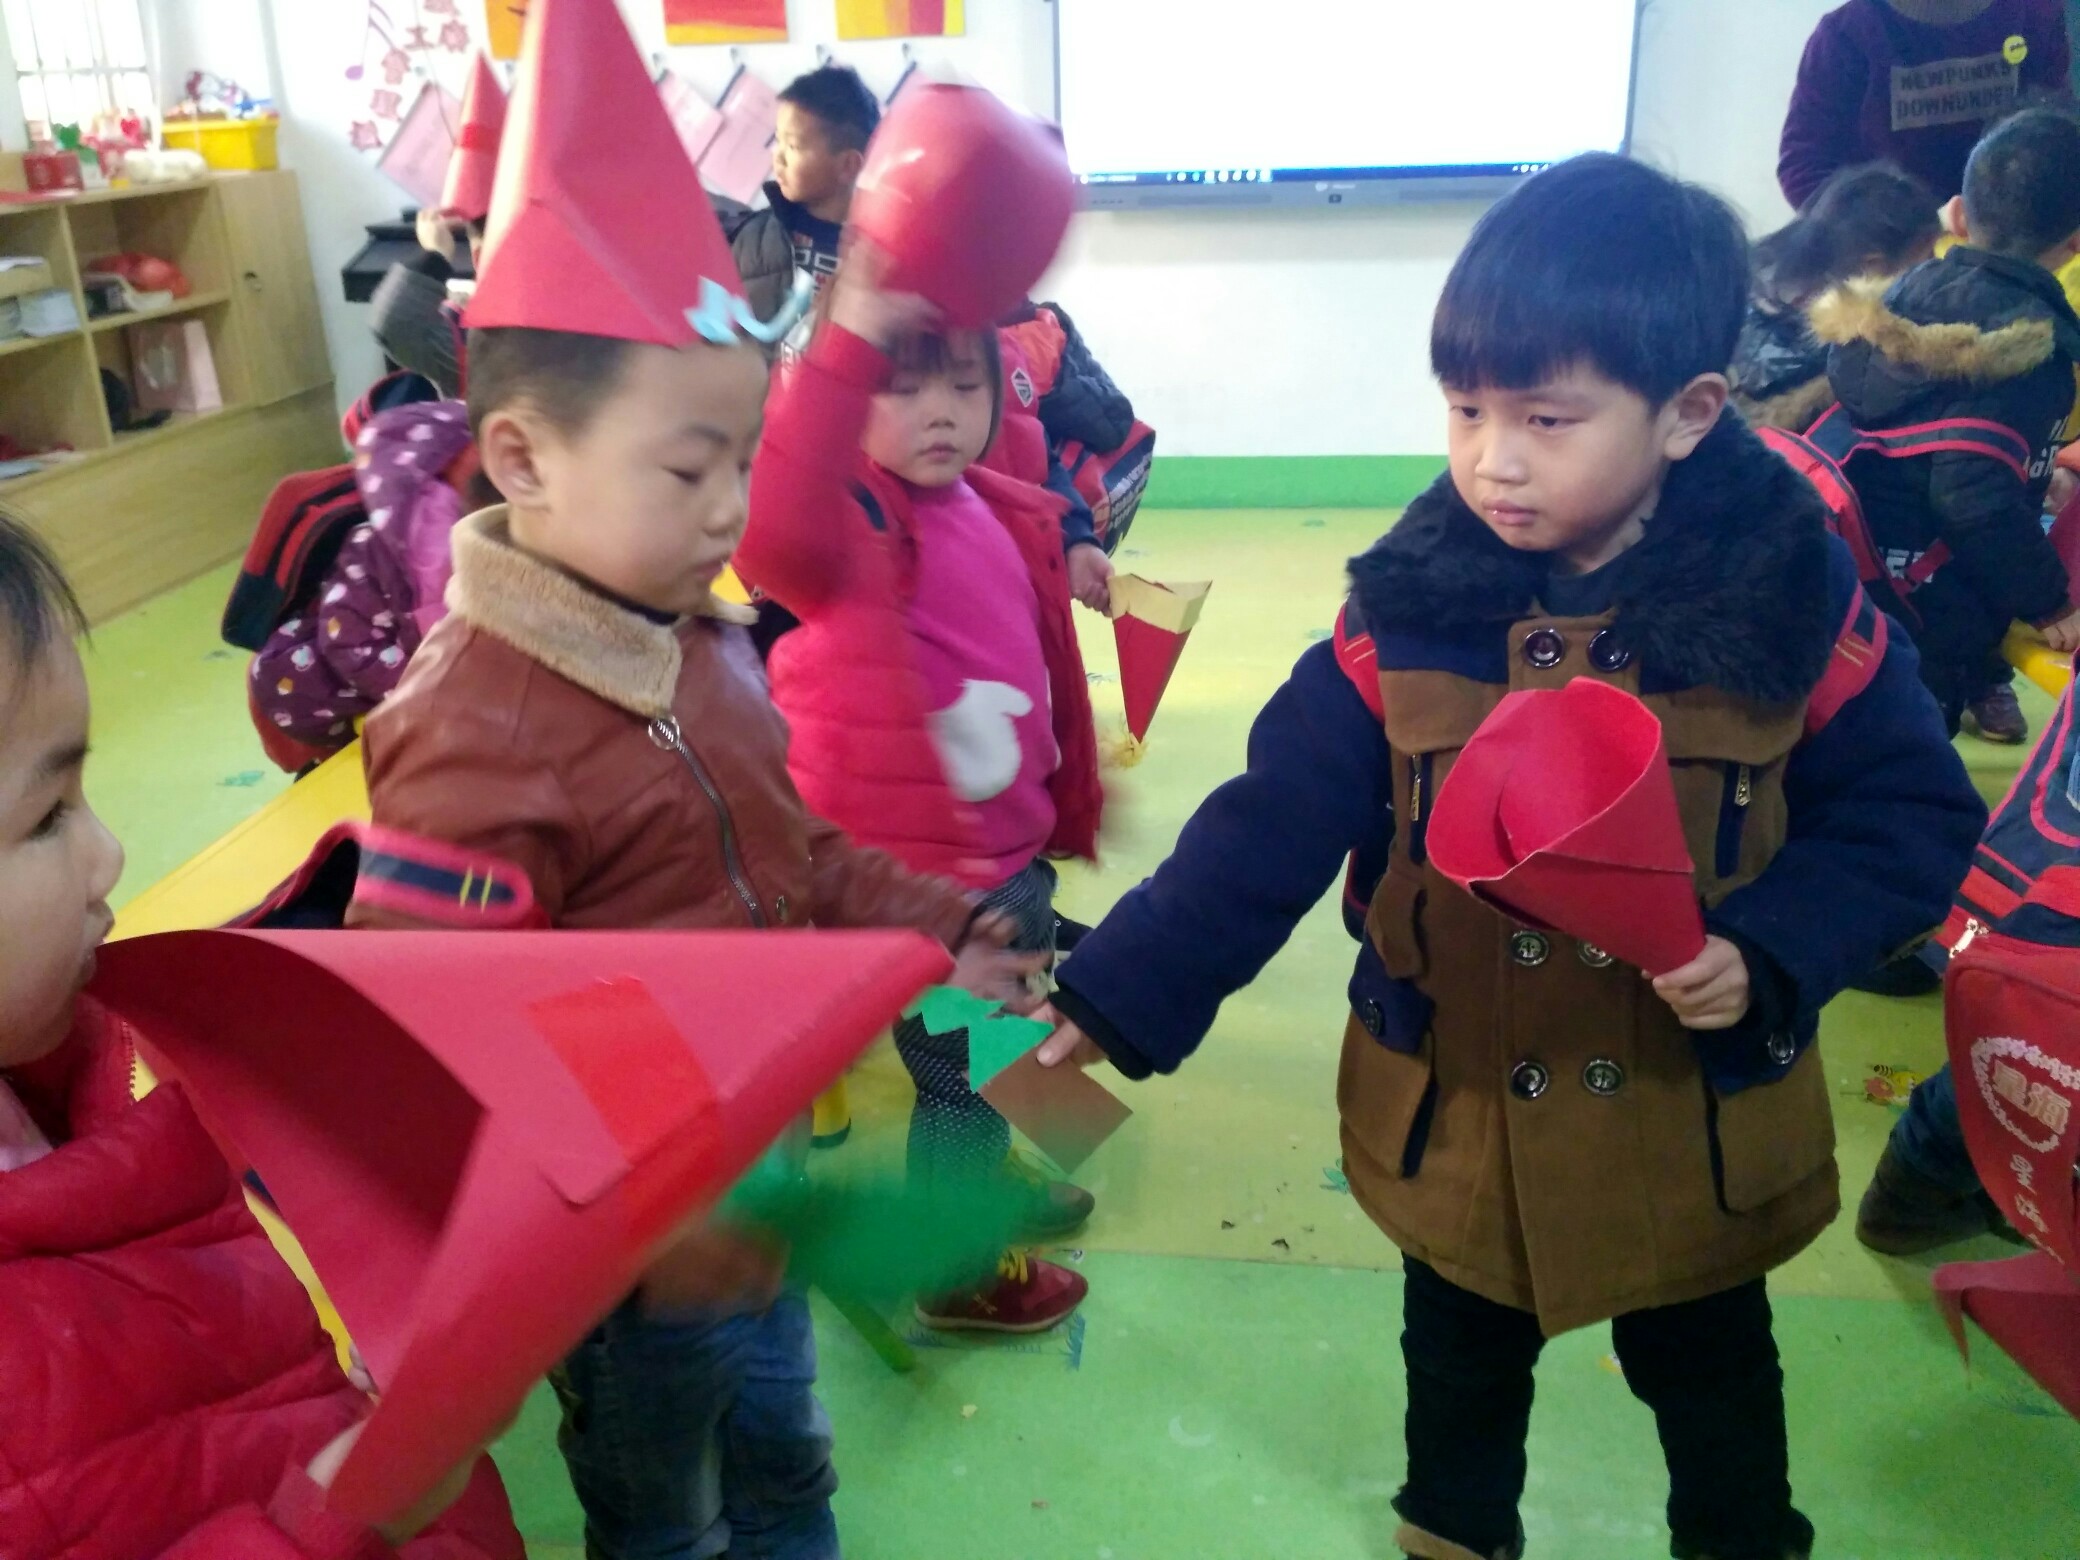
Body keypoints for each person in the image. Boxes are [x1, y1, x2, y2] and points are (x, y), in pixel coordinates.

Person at [1034, 154, 1985, 1560]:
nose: (1494, 458)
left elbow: (1911, 812)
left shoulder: (1789, 597)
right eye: (1467, 409)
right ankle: (1454, 1531)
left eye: (1547, 417)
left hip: (1689, 1119)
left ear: (1687, 414)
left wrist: (1773, 947)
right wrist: (1114, 992)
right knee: (1459, 1359)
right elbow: (1269, 821)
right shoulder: (1406, 613)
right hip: (1462, 1108)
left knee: (1714, 1374)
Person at [349, 1, 1042, 1554]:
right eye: (688, 468)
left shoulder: (703, 639)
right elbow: (455, 1040)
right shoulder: (470, 730)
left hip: (756, 1169)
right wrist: (657, 1208)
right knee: (665, 1514)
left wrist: (944, 924)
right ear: (523, 460)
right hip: (627, 1247)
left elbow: (797, 849)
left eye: (741, 457)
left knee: (787, 1462)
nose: (732, 509)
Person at [0, 508, 525, 1560]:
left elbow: (231, 1394)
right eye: (48, 815)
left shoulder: (86, 1087)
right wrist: (340, 1515)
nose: (109, 854)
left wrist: (352, 1412)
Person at [734, 261, 1106, 1336]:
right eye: (897, 387)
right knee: (960, 1079)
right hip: (927, 877)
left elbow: (1033, 450)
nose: (938, 411)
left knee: (1003, 1039)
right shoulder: (851, 520)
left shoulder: (977, 497)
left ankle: (988, 1187)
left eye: (961, 384)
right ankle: (960, 1268)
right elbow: (775, 510)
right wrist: (836, 357)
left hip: (1004, 851)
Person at [1814, 106, 2080, 741]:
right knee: (1910, 762)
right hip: (1933, 609)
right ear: (2075, 243)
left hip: (1850, 579)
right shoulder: (2029, 349)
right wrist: (2050, 602)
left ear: (1957, 215)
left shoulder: (1894, 302)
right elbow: (1972, 496)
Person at [248, 400, 495, 761]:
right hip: (342, 678)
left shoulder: (475, 523)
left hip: (414, 665)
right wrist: (419, 688)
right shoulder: (377, 548)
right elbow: (346, 640)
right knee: (285, 679)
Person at [1779, 0, 2070, 211]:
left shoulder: (2034, 14)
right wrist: (1883, 235)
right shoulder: (1847, 35)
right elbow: (1804, 165)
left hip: (2015, 232)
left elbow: (2059, 134)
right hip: (1892, 246)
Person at [1731, 161, 1939, 433]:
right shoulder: (1831, 359)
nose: (1938, 272)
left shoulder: (1773, 274)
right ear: (1872, 268)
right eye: (1928, 261)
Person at [717, 64, 880, 325]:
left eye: (792, 145)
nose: (777, 156)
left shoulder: (876, 254)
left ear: (848, 165)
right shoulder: (752, 240)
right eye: (777, 140)